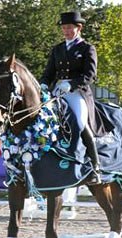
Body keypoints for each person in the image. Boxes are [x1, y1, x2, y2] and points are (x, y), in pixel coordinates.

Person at [40, 11, 101, 185]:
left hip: (78, 92)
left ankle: (95, 167)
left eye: (69, 28)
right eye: (64, 28)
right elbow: (48, 73)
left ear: (79, 28)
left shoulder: (87, 48)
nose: (66, 31)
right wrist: (44, 84)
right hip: (58, 90)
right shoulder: (57, 49)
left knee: (80, 123)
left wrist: (72, 84)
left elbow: (90, 75)